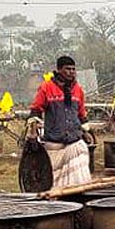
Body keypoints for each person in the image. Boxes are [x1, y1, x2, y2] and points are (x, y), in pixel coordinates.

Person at [27, 55, 92, 189]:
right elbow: (35, 111)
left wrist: (86, 132)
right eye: (68, 69)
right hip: (54, 144)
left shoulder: (78, 90)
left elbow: (81, 113)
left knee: (80, 182)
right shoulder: (47, 88)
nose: (71, 72)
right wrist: (33, 134)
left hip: (74, 142)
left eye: (73, 69)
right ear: (58, 70)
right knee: (54, 182)